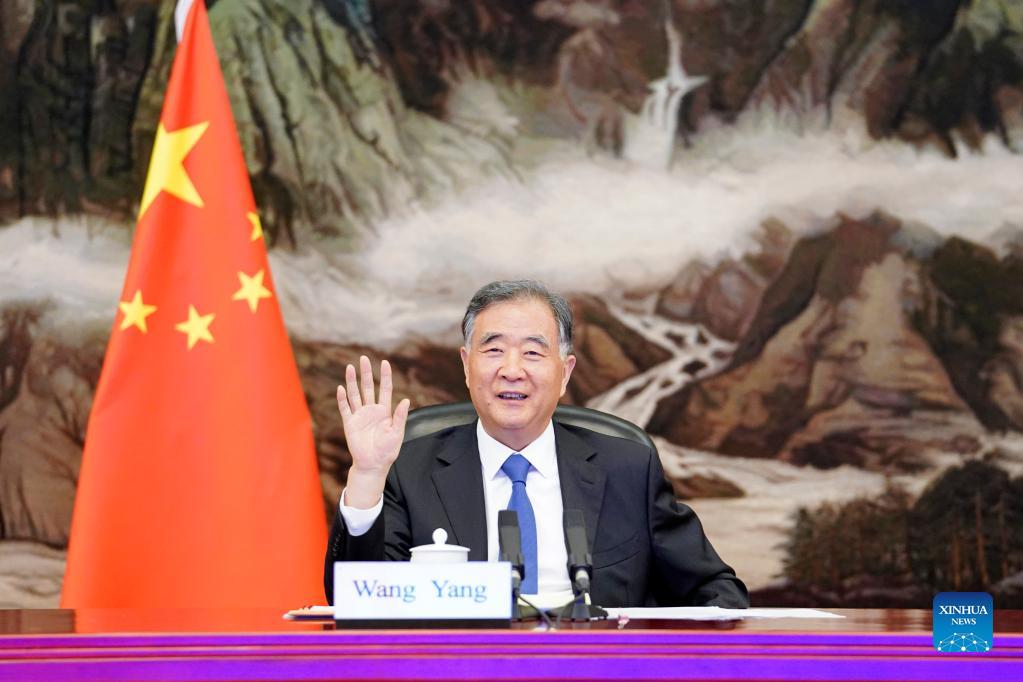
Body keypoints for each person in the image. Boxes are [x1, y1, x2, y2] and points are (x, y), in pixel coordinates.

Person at [324, 280, 748, 608]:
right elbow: (358, 600)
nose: (512, 370)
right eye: (494, 350)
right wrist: (367, 476)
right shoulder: (409, 468)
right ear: (466, 366)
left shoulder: (627, 468)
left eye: (532, 353)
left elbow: (717, 592)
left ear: (565, 373)